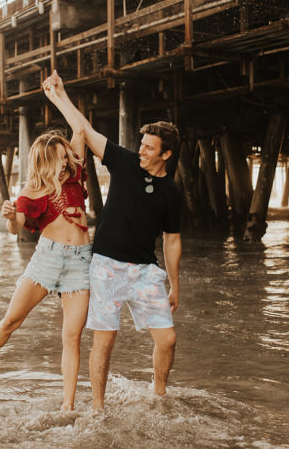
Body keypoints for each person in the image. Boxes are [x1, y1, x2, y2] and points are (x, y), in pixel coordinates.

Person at [43, 71, 182, 411]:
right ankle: (98, 408)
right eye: (142, 143)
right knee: (104, 343)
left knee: (168, 339)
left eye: (149, 147)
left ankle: (159, 394)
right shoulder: (125, 162)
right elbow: (86, 132)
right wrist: (59, 96)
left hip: (145, 271)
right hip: (106, 266)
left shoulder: (171, 193)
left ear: (165, 155)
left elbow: (172, 240)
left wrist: (175, 285)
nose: (142, 150)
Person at [0, 130, 92, 411]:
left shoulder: (76, 175)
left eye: (66, 156)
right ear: (43, 161)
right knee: (10, 321)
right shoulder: (29, 194)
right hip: (46, 260)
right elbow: (15, 227)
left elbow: (80, 131)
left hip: (80, 263)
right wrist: (8, 216)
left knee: (72, 337)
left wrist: (60, 96)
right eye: (59, 159)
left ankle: (67, 405)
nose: (65, 162)